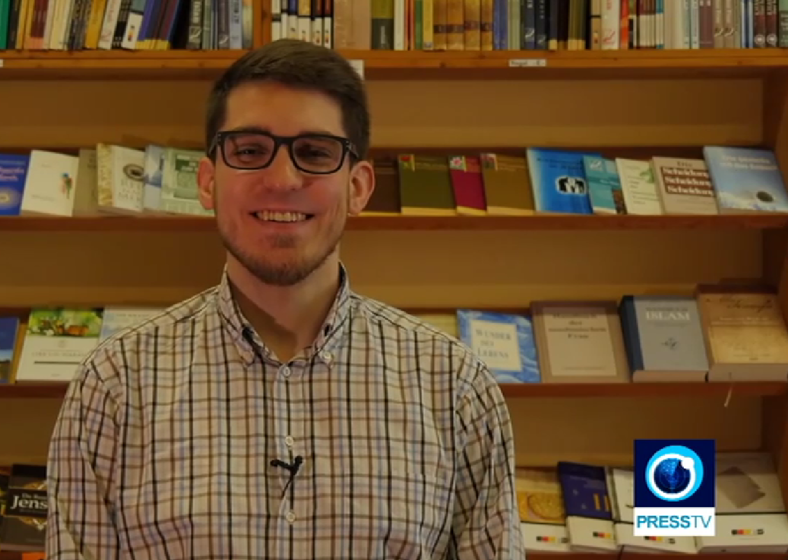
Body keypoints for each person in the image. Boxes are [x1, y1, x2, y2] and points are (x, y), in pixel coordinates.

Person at [46, 38, 524, 560]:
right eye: (250, 151)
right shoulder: (115, 384)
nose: (282, 180)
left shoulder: (454, 387)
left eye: (315, 153)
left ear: (359, 186)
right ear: (208, 181)